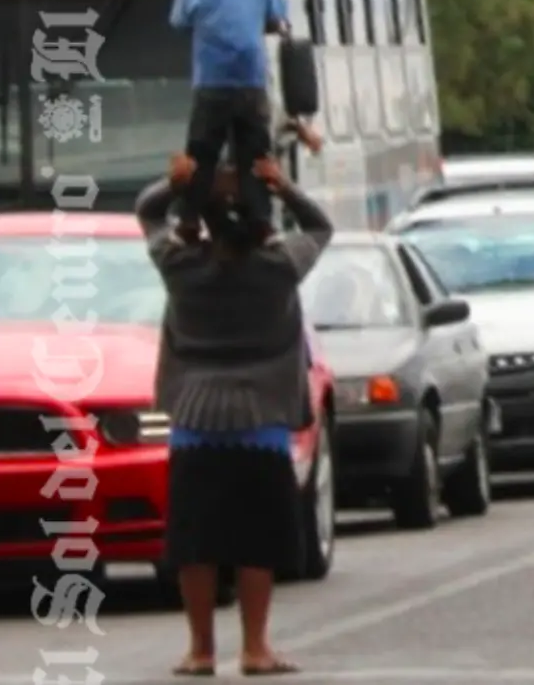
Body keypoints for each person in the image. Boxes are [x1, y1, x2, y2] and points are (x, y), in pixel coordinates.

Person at [138, 153, 333, 678]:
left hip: (194, 426)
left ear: (204, 225)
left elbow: (147, 215)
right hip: (262, 424)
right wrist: (284, 187)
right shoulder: (278, 269)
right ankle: (255, 647)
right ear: (262, 226)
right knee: (256, 544)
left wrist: (175, 182)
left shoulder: (182, 269)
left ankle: (200, 650)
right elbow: (319, 226)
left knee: (195, 544)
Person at [169, 0, 321, 241]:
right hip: (251, 83)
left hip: (211, 84)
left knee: (202, 155)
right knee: (254, 155)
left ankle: (190, 220)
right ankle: (262, 220)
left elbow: (180, 22)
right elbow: (276, 20)